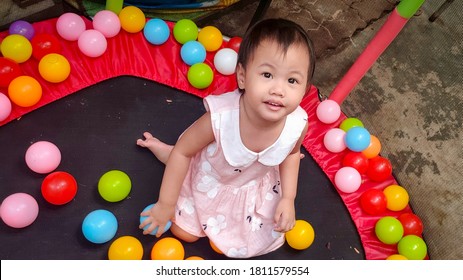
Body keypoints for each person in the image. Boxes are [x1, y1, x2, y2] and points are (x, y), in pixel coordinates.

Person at [137, 18, 316, 258]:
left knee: (265, 232)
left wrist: (288, 197)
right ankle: (163, 151)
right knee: (184, 232)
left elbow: (292, 155)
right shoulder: (221, 119)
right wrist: (165, 205)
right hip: (212, 176)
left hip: (251, 185)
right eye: (267, 74)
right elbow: (184, 151)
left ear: (305, 90)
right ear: (242, 76)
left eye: (292, 80)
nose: (278, 89)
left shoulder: (297, 124)